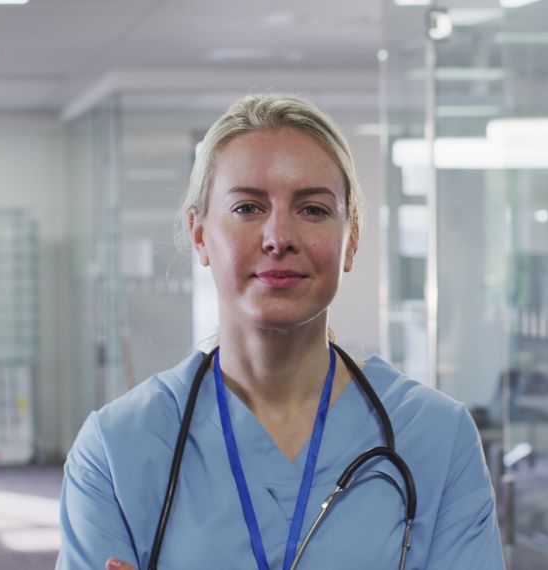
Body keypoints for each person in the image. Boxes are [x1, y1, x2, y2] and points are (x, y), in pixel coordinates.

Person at [56, 94, 505, 570]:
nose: (279, 237)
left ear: (350, 240)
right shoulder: (117, 448)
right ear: (200, 234)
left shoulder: (437, 435)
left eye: (312, 210)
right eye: (248, 207)